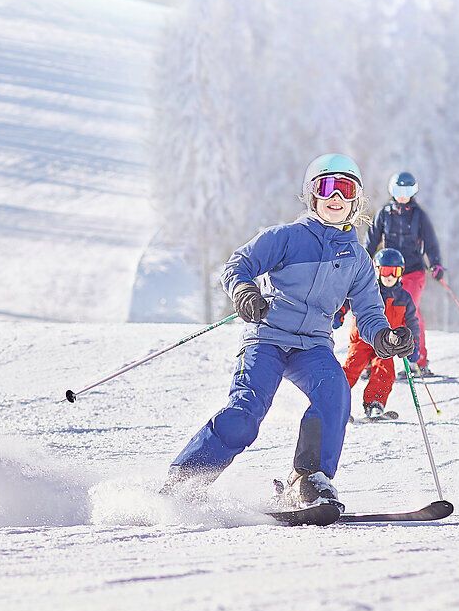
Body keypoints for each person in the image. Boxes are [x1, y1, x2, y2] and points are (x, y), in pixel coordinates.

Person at [167, 153, 414, 512]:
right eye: (326, 187)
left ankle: (309, 480)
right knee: (245, 414)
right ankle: (183, 482)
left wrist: (387, 339)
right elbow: (239, 265)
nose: (336, 197)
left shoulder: (357, 259)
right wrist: (245, 292)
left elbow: (370, 313)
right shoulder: (286, 237)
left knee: (335, 395)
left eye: (346, 189)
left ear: (356, 201)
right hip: (267, 337)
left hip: (312, 346)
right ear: (312, 195)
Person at [365, 171, 444, 371]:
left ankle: (417, 359)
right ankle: (371, 359)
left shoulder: (418, 216)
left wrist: (435, 263)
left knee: (409, 310)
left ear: (413, 191)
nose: (402, 195)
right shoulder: (385, 213)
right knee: (378, 309)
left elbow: (430, 242)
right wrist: (364, 260)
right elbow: (372, 239)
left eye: (407, 191)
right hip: (388, 270)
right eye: (399, 190)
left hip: (412, 270)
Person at [339, 248, 422, 420]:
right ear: (377, 270)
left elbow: (412, 323)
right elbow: (346, 300)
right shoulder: (368, 290)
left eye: (394, 271)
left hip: (387, 344)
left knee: (385, 370)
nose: (389, 276)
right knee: (351, 369)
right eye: (385, 270)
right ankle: (335, 403)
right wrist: (339, 312)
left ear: (401, 273)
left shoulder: (404, 298)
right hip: (362, 340)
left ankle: (374, 403)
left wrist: (413, 346)